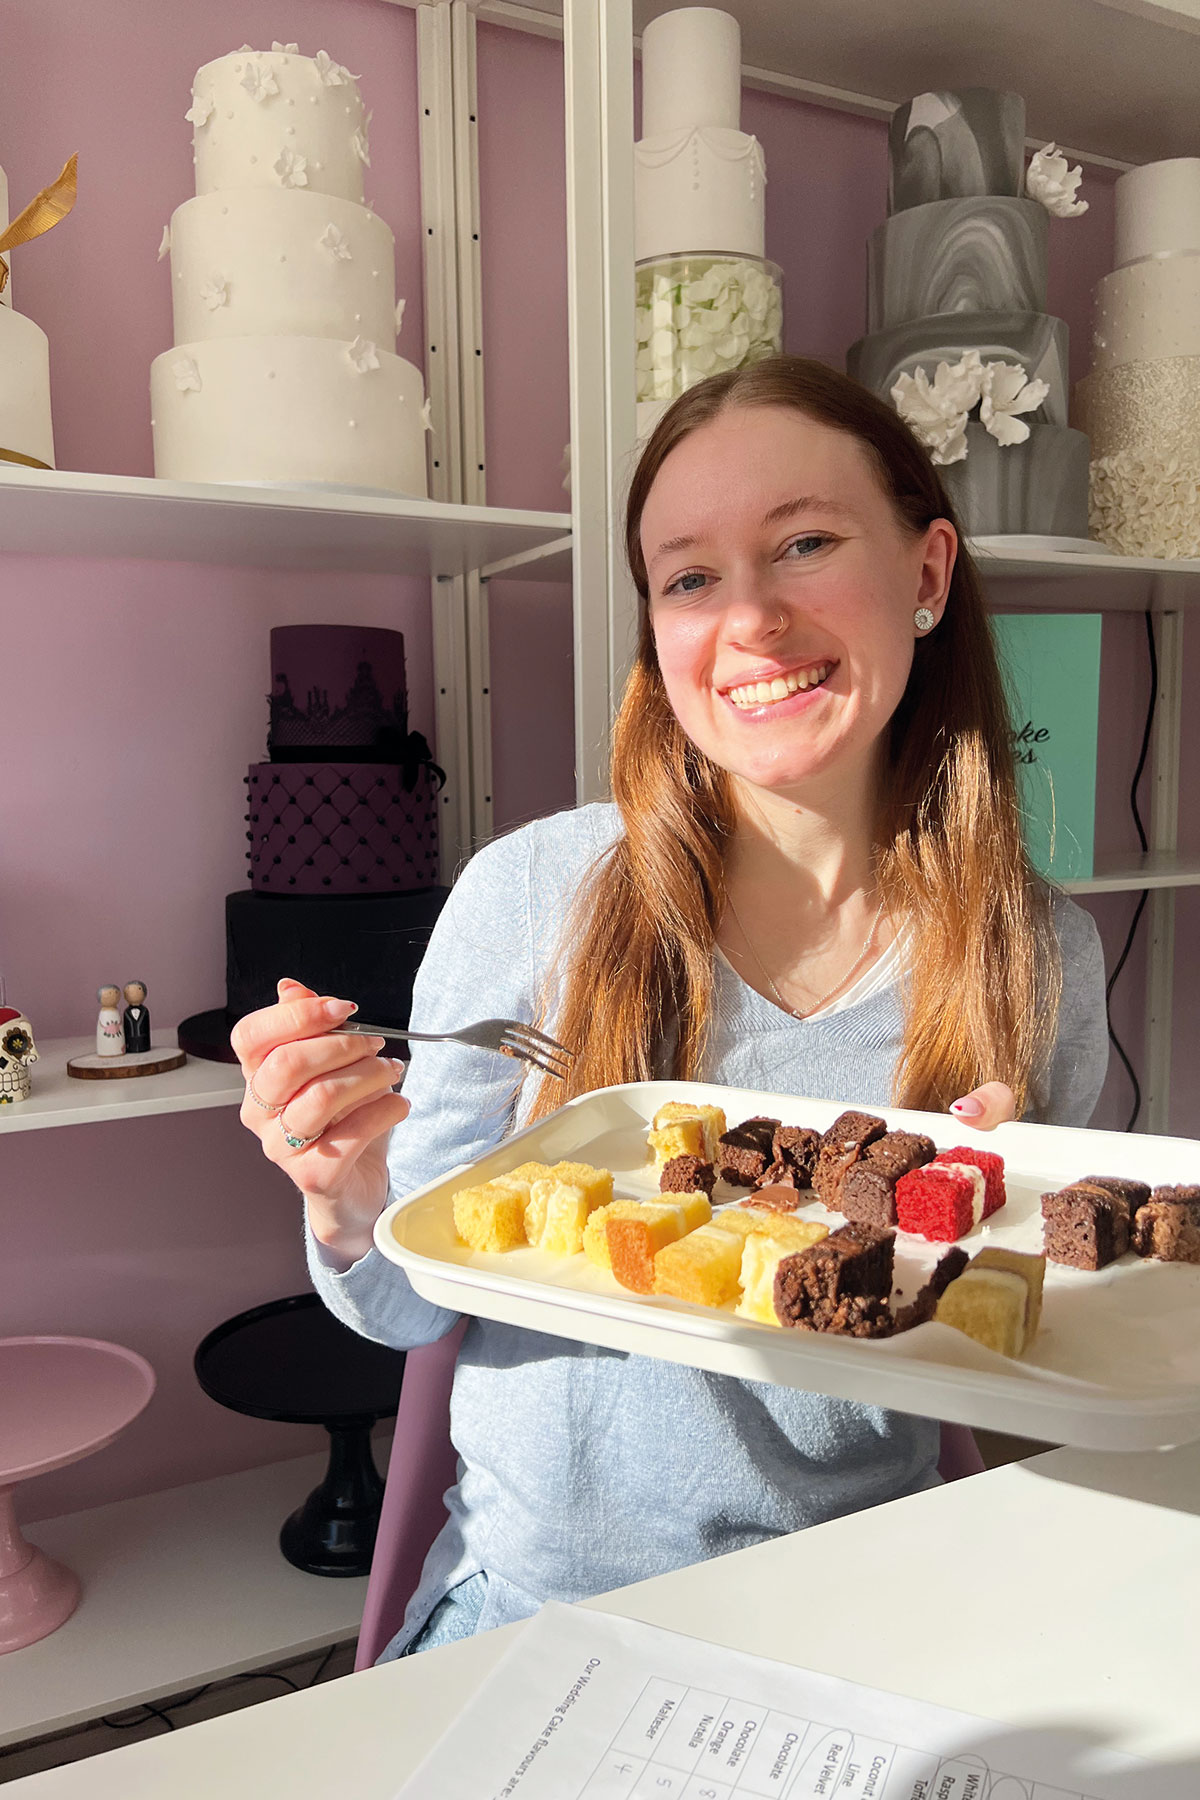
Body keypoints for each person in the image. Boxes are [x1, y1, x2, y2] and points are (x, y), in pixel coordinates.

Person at [232, 357, 1108, 1660]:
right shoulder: (532, 896)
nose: (748, 617)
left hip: (877, 1612)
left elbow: (1039, 1330)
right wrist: (346, 1196)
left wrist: (989, 1244)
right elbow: (409, 1309)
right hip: (545, 1620)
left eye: (804, 542)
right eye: (691, 576)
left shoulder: (1037, 955)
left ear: (926, 576)